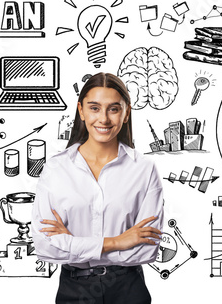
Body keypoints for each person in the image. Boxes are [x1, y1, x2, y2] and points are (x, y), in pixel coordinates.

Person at [32, 72, 164, 303]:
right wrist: (117, 242)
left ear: (126, 113)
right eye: (94, 108)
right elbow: (46, 247)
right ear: (81, 111)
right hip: (74, 290)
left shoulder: (144, 169)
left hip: (128, 289)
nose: (103, 118)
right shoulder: (56, 168)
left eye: (113, 109)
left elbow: (145, 250)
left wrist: (72, 243)